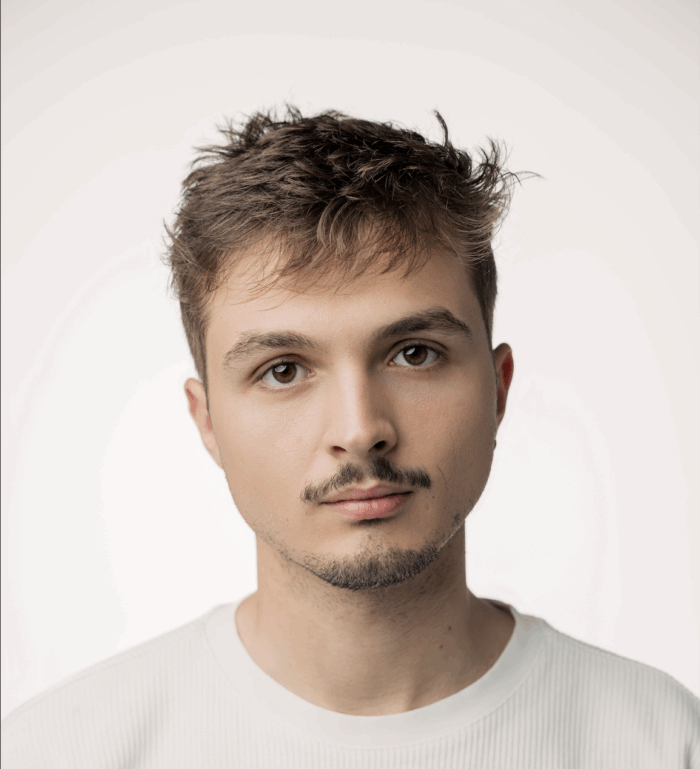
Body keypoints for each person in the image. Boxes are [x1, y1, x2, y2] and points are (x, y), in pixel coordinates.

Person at [2, 107, 698, 768]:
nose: (360, 431)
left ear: (499, 388)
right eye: (283, 370)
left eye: (415, 354)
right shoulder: (59, 753)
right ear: (207, 420)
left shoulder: (661, 742)